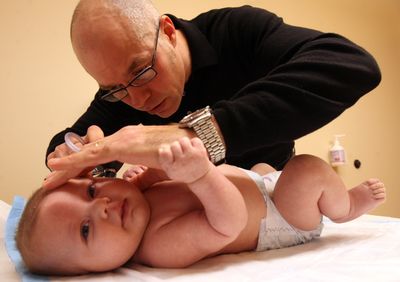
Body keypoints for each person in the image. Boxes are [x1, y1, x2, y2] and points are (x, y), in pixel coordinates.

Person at [46, 0, 381, 174]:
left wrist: (197, 135)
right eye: (115, 88)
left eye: (144, 71)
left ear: (167, 31)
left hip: (271, 188)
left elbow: (351, 64)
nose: (137, 99)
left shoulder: (238, 31)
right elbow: (66, 141)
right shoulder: (123, 89)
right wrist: (75, 153)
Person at [19, 137, 386, 275]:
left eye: (90, 190)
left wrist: (150, 173)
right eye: (85, 230)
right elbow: (228, 221)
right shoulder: (158, 246)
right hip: (283, 218)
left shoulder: (137, 195)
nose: (102, 206)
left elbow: (167, 163)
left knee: (260, 168)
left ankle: (271, 176)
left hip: (262, 184)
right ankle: (346, 205)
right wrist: (199, 176)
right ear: (90, 272)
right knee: (306, 168)